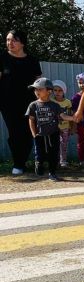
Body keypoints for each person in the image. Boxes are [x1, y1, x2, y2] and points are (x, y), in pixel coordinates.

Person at [0, 30, 43, 175]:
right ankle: (18, 163)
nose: (9, 43)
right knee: (14, 132)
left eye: (13, 40)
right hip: (7, 102)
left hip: (29, 103)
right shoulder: (2, 58)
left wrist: (41, 99)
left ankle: (22, 162)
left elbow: (39, 82)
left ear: (22, 43)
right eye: (7, 40)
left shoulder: (32, 60)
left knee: (27, 133)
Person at [25, 78, 73, 181]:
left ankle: (52, 173)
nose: (36, 92)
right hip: (40, 135)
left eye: (39, 89)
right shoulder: (33, 105)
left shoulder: (54, 105)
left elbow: (63, 116)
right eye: (35, 90)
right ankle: (39, 163)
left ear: (49, 91)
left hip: (54, 134)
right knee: (40, 153)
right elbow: (31, 120)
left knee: (53, 154)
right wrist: (34, 134)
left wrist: (74, 118)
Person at [70, 73, 84, 167]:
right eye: (80, 83)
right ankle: (82, 159)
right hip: (81, 124)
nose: (82, 85)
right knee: (82, 142)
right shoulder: (75, 98)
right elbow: (74, 113)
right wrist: (74, 126)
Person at [52, 80, 72, 167]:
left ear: (63, 91)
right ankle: (54, 160)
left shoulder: (67, 102)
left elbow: (70, 115)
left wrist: (71, 126)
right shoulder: (51, 101)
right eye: (55, 90)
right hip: (54, 127)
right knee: (55, 144)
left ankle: (63, 160)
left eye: (60, 90)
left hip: (65, 127)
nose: (57, 92)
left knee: (64, 144)